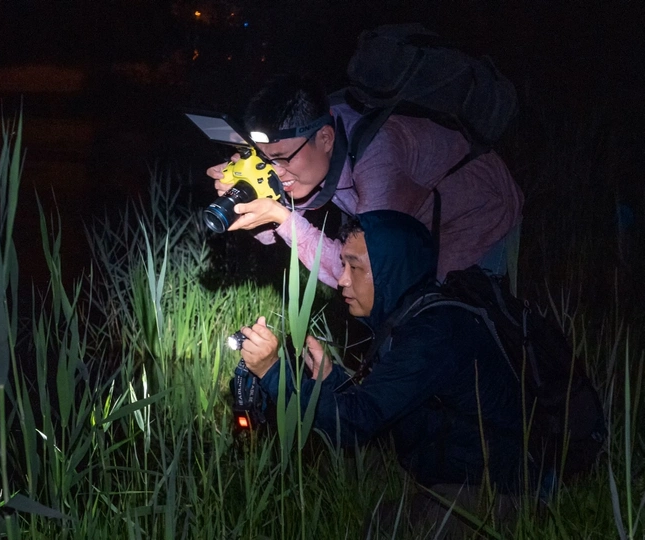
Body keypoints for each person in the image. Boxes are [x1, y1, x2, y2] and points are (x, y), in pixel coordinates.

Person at [238, 210, 525, 534]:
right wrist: (329, 379)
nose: (342, 279)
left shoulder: (433, 333)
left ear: (392, 270)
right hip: (450, 465)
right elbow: (379, 403)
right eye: (344, 265)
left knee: (378, 527)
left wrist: (271, 371)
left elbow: (357, 422)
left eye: (355, 267)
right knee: (333, 472)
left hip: (499, 487)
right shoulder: (412, 317)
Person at [207, 74, 523, 288]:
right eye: (266, 159)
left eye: (283, 158)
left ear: (326, 138)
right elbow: (276, 228)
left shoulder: (379, 159)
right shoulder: (309, 141)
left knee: (443, 313)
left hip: (479, 213)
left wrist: (283, 218)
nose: (276, 171)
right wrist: (251, 193)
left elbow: (364, 276)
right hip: (414, 215)